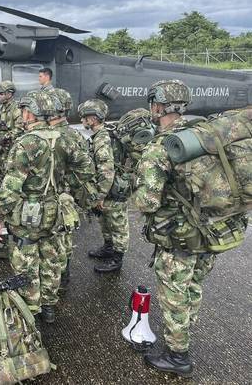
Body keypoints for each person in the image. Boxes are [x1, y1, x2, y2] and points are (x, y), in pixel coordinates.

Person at [132, 79, 248, 377]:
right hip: (213, 231)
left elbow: (146, 202)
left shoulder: (161, 146)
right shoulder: (205, 134)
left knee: (174, 294)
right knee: (192, 286)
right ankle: (184, 332)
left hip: (179, 238)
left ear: (157, 106)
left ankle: (177, 355)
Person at [0, 91, 97, 325]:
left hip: (27, 214)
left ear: (30, 113)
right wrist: (62, 185)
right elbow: (87, 171)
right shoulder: (67, 138)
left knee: (26, 260)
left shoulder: (27, 143)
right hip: (55, 211)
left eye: (24, 111)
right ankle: (49, 306)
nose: (21, 115)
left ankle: (32, 311)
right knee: (51, 258)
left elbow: (10, 188)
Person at [79, 99, 129, 273]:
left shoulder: (102, 139)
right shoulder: (102, 133)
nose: (82, 120)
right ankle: (108, 248)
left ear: (93, 118)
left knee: (117, 224)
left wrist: (100, 195)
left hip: (112, 189)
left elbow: (107, 170)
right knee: (105, 221)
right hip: (108, 187)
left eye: (84, 117)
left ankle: (117, 258)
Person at [48, 88, 88, 291]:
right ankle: (64, 275)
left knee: (51, 240)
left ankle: (52, 283)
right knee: (66, 237)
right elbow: (86, 169)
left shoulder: (49, 137)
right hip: (69, 197)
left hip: (51, 197)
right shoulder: (76, 135)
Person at [0, 80, 23, 187]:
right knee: (0, 171)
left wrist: (4, 137)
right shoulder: (2, 108)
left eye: (1, 94)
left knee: (10, 174)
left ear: (9, 94)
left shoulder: (16, 108)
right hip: (1, 148)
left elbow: (20, 128)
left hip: (11, 148)